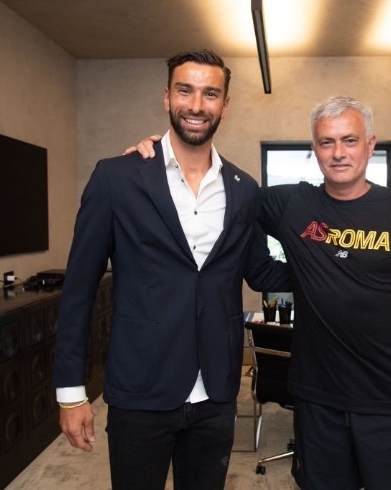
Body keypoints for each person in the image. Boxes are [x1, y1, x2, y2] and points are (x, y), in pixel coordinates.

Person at [129, 96, 391, 490]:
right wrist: (162, 156)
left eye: (349, 140)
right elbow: (223, 192)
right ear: (315, 149)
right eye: (326, 142)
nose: (338, 153)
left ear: (370, 145)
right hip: (317, 399)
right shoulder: (292, 203)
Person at [53, 48, 289, 490]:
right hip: (140, 389)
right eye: (185, 90)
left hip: (217, 392)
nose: (196, 105)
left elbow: (261, 272)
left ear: (225, 105)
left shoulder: (244, 190)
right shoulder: (117, 178)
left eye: (210, 94)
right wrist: (70, 393)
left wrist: (335, 263)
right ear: (166, 97)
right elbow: (79, 291)